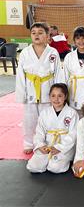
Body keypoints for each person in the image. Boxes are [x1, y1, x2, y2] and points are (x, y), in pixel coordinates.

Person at [15, 22, 63, 154]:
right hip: (30, 89)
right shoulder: (25, 52)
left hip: (48, 89)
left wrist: (59, 94)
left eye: (40, 33)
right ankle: (29, 143)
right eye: (33, 33)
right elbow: (20, 75)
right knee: (29, 119)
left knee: (48, 118)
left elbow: (58, 73)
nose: (36, 35)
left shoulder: (53, 52)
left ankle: (47, 141)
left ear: (48, 36)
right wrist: (22, 93)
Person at [26, 83, 79, 173]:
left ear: (65, 96)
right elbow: (39, 131)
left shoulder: (72, 113)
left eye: (60, 96)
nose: (56, 99)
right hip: (47, 145)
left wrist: (59, 147)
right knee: (33, 167)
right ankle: (46, 158)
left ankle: (55, 160)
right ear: (49, 97)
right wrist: (41, 145)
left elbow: (73, 134)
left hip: (64, 146)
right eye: (53, 96)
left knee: (55, 168)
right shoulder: (45, 113)